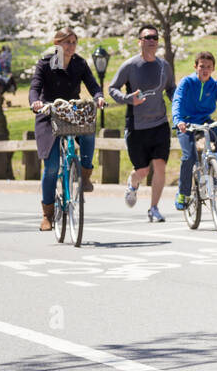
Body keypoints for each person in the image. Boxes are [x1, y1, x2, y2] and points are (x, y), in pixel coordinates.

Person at [29, 29, 107, 232]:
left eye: (73, 42)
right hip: (49, 113)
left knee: (89, 132)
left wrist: (98, 96)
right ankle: (47, 214)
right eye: (66, 42)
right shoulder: (45, 63)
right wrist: (35, 102)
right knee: (53, 166)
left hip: (72, 111)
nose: (71, 46)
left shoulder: (79, 63)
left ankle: (85, 172)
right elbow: (34, 88)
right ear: (57, 44)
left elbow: (92, 84)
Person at [109, 24, 176, 222]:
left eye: (155, 37)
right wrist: (129, 98)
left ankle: (154, 208)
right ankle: (133, 182)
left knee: (160, 165)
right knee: (143, 170)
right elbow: (113, 89)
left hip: (160, 124)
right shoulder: (130, 66)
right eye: (147, 37)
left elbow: (171, 88)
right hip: (137, 127)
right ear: (140, 41)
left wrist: (178, 101)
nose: (152, 40)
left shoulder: (164, 66)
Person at [173, 52, 217, 210]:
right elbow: (177, 101)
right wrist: (178, 120)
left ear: (213, 69)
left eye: (209, 67)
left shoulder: (214, 85)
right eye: (202, 66)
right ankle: (183, 193)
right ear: (195, 67)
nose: (205, 69)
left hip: (204, 120)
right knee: (189, 156)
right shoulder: (187, 82)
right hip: (186, 121)